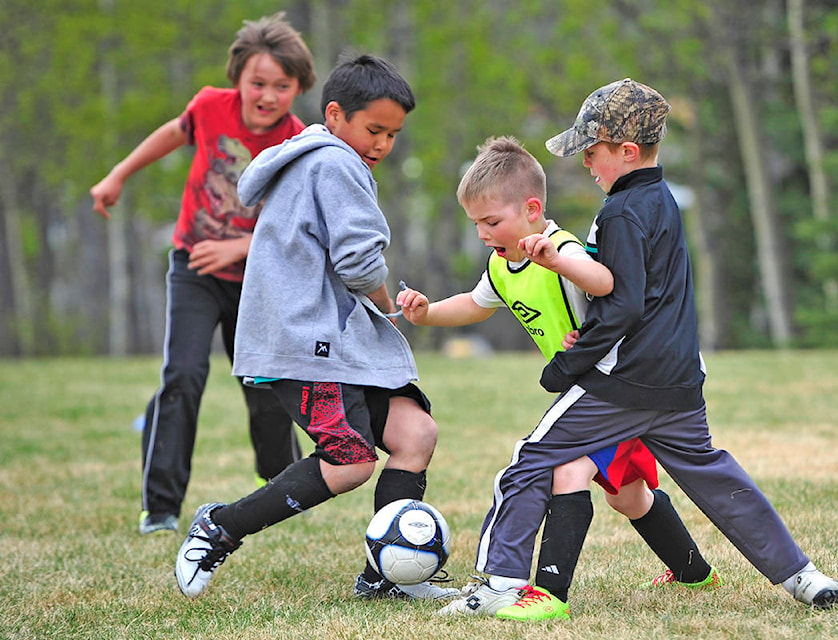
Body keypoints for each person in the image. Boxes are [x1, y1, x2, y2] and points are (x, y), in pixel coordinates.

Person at [440, 79, 838, 617]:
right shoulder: (661, 200)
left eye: (591, 153)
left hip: (624, 380)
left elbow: (623, 303)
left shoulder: (618, 212)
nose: (587, 164)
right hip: (681, 375)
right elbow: (652, 295)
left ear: (626, 151)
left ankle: (498, 587)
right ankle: (805, 578)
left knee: (528, 462)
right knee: (713, 474)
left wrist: (571, 362)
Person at [396, 136, 721, 621]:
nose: (484, 234)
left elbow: (612, 292)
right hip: (591, 394)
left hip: (618, 388)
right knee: (628, 496)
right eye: (477, 224)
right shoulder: (502, 263)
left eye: (491, 222)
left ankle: (544, 594)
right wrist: (427, 315)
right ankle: (694, 572)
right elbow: (475, 302)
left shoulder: (564, 253)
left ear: (531, 209)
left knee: (565, 471)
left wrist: (587, 333)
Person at [174, 54, 459, 603]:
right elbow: (358, 261)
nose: (381, 144)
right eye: (373, 129)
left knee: (415, 434)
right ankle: (221, 527)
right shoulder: (337, 164)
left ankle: (384, 581)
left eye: (393, 134)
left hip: (328, 342)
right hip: (308, 343)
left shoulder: (309, 156)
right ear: (335, 114)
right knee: (349, 463)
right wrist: (389, 304)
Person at [89, 13, 315, 535]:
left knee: (265, 387)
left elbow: (301, 224)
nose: (268, 96)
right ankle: (161, 507)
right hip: (192, 267)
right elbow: (171, 133)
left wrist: (239, 244)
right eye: (258, 83)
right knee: (182, 376)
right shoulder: (210, 107)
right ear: (238, 78)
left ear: (297, 88)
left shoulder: (299, 141)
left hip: (258, 281)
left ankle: (281, 485)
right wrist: (117, 175)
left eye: (282, 86)